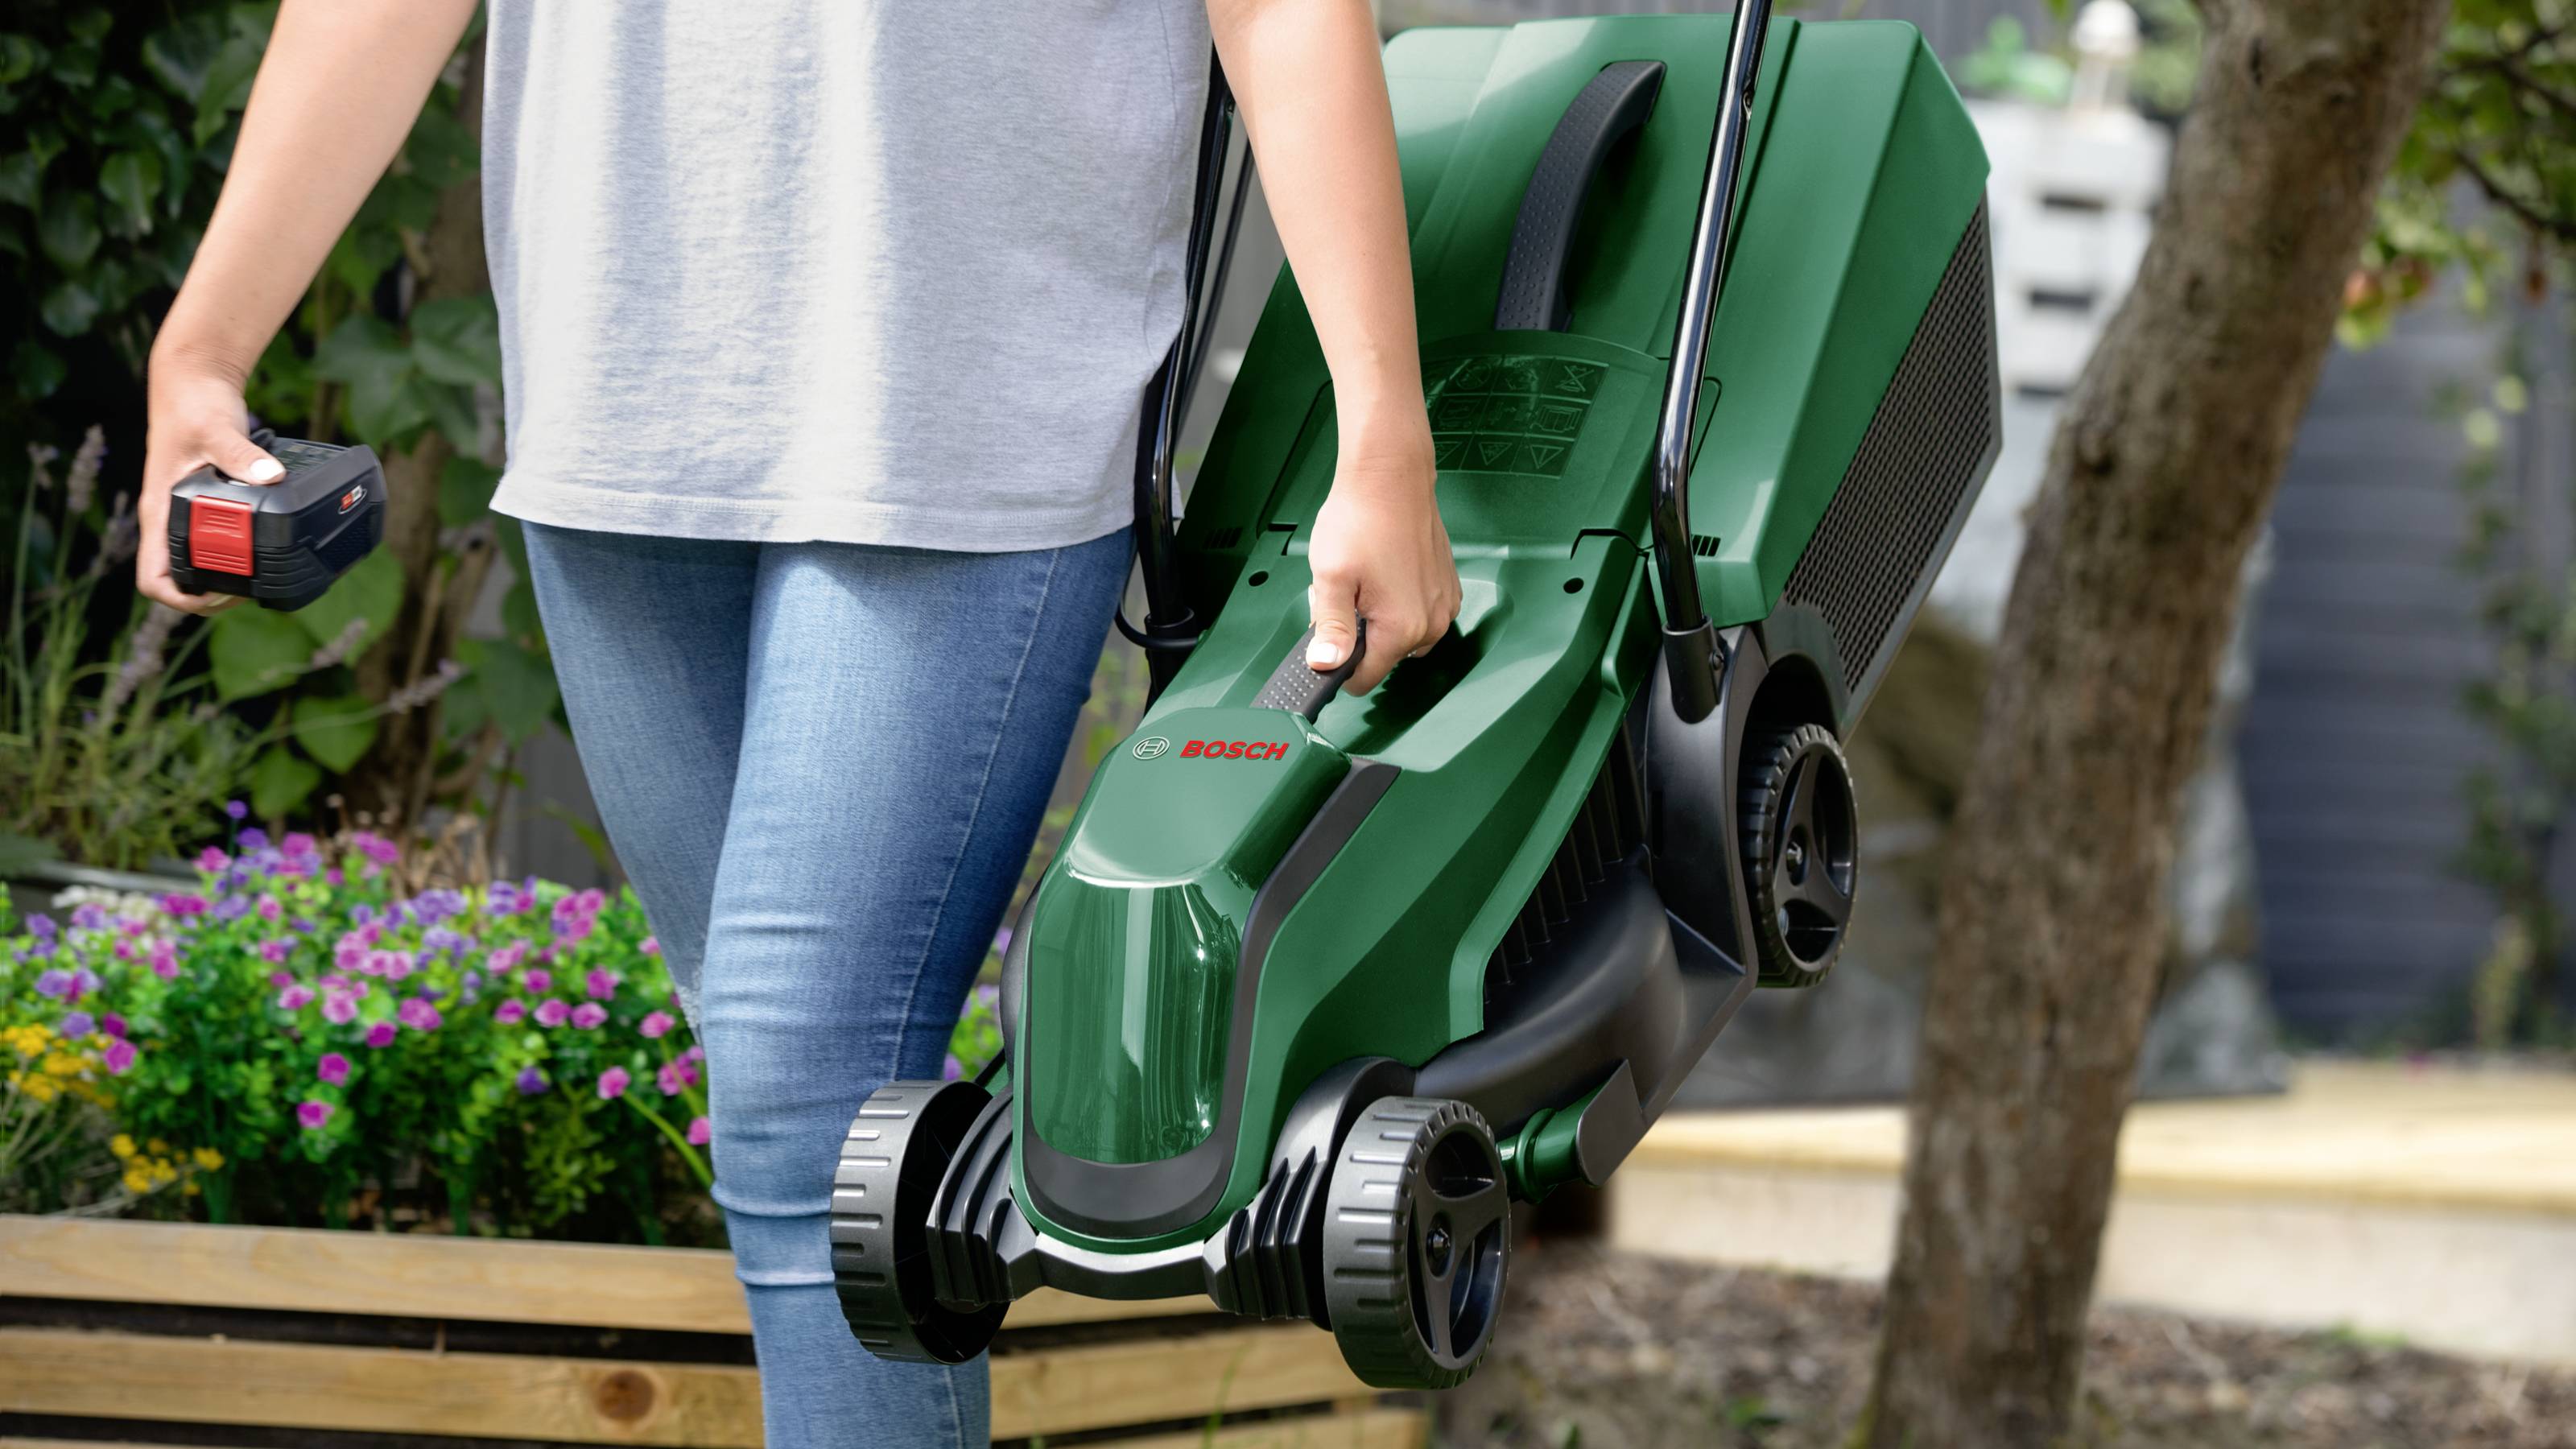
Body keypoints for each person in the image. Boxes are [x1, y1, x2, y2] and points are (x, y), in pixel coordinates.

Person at [138, 2, 1457, 1445]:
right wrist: (202, 345)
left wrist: (1381, 422)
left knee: (806, 1093)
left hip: (957, 411)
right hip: (618, 416)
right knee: (808, 1112)